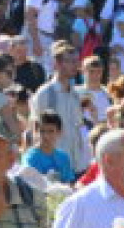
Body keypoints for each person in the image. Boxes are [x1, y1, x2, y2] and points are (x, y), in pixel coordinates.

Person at [32, 42, 89, 175]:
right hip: (52, 166)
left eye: (76, 61)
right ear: (57, 64)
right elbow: (36, 128)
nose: (75, 65)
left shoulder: (75, 94)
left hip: (75, 163)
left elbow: (79, 127)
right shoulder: (46, 93)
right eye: (69, 61)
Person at [22, 0, 70, 72]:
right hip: (37, 37)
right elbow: (30, 15)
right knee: (37, 72)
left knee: (46, 72)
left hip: (45, 38)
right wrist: (35, 42)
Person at [23, 110, 75, 183]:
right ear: (36, 132)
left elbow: (68, 183)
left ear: (59, 132)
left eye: (51, 131)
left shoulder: (63, 157)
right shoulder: (30, 157)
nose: (46, 136)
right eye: (42, 131)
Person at [78, 55, 112, 125]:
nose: (95, 75)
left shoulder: (109, 93)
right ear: (83, 71)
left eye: (99, 71)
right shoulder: (75, 93)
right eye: (91, 71)